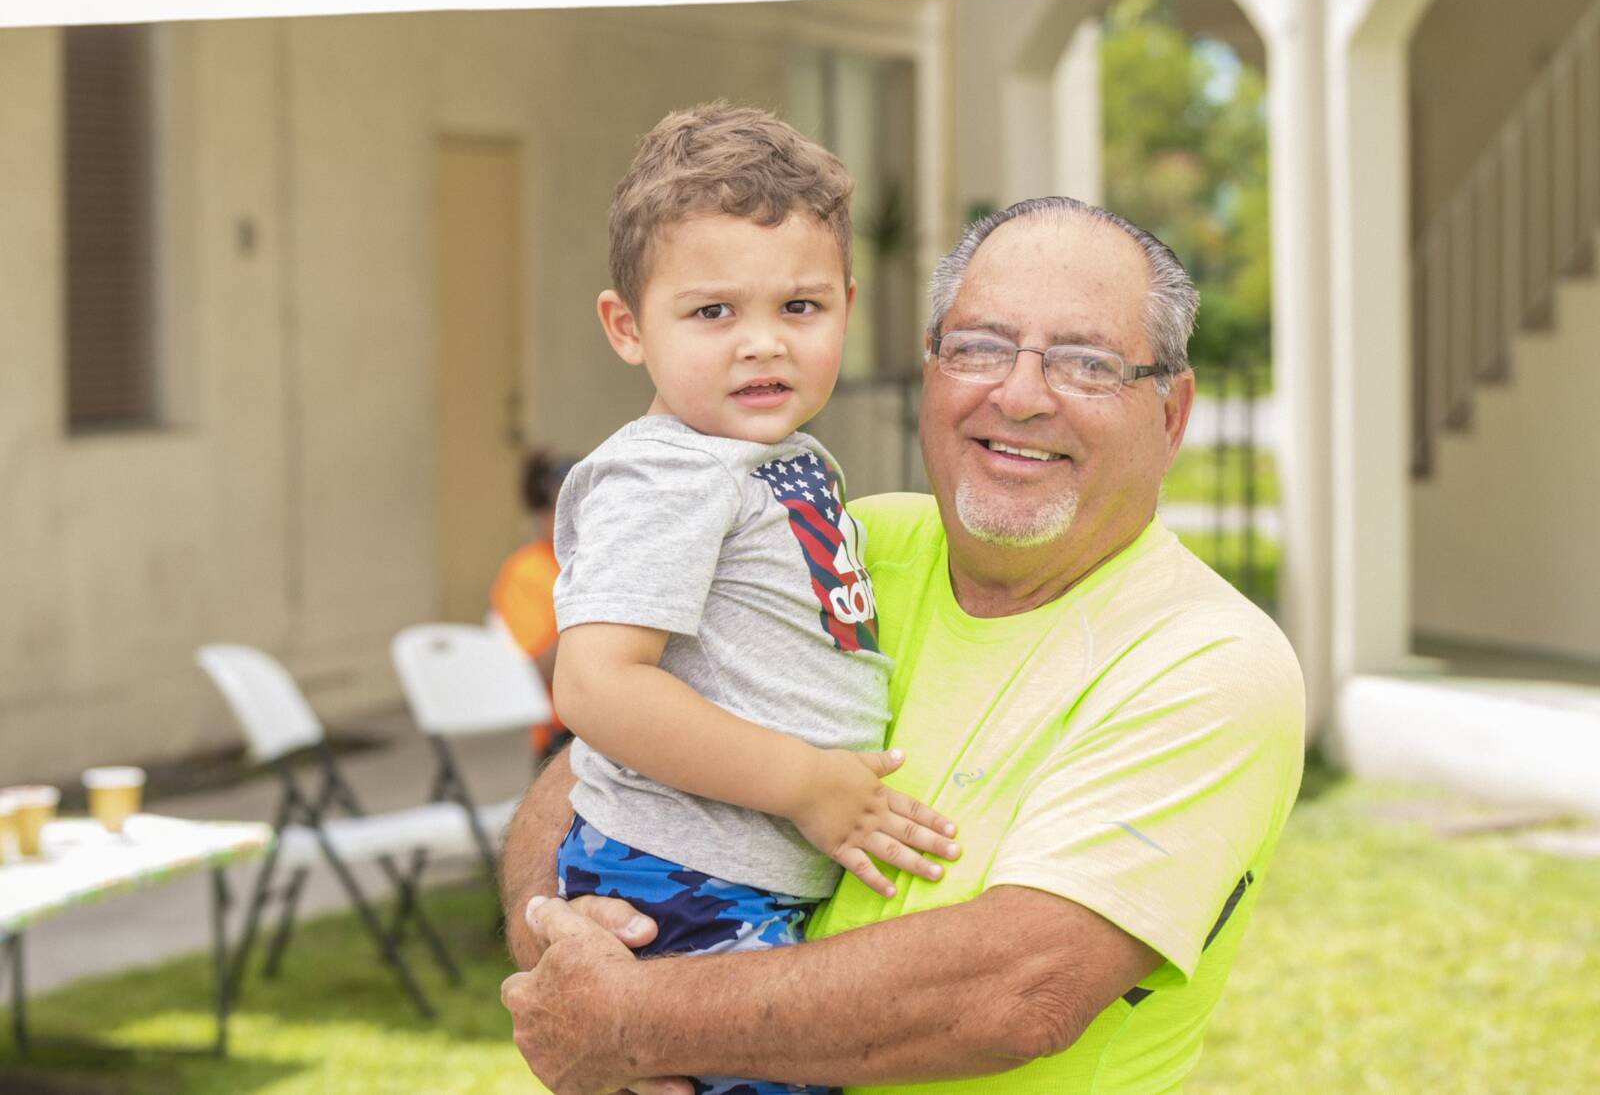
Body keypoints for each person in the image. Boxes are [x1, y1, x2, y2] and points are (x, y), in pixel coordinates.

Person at [499, 195, 1307, 1095]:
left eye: (1087, 363)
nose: (1021, 394)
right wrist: (564, 944)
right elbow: (598, 754)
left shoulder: (1208, 660)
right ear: (931, 370)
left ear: (1171, 411)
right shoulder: (840, 541)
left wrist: (633, 1020)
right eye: (980, 347)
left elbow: (1023, 988)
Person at [543, 103, 960, 1095]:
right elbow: (595, 684)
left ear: (848, 306)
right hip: (684, 884)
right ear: (625, 326)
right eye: (712, 312)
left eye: (800, 309)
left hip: (738, 876)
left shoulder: (774, 457)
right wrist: (809, 783)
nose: (762, 344)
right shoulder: (668, 474)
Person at [491, 449, 576, 756]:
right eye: (567, 506)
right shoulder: (526, 570)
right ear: (543, 514)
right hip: (565, 733)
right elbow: (539, 669)